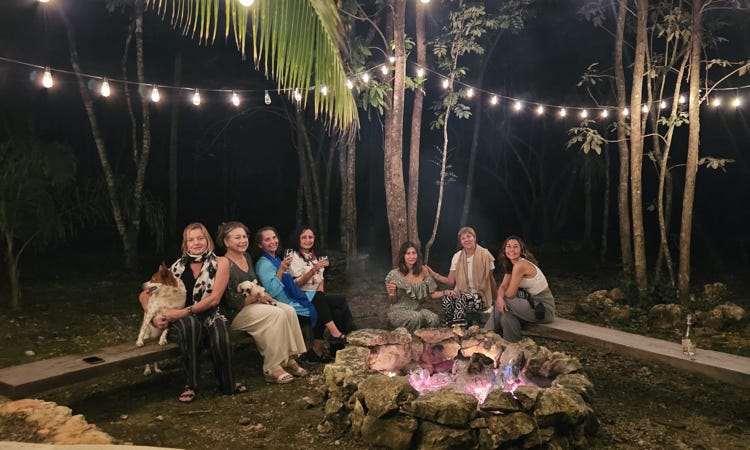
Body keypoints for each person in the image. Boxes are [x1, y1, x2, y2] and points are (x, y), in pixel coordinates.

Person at [138, 222, 245, 403]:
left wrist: (183, 312)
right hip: (179, 317)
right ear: (186, 244)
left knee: (220, 328)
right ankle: (191, 384)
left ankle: (228, 383)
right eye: (191, 239)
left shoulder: (221, 262)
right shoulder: (176, 267)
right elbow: (143, 294)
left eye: (200, 238)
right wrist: (154, 317)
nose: (196, 242)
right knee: (190, 326)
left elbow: (214, 299)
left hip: (209, 311)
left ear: (207, 240)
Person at [217, 221, 308, 384]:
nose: (243, 240)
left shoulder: (246, 257)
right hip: (235, 313)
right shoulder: (223, 263)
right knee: (276, 314)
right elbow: (230, 300)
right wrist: (257, 297)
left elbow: (255, 283)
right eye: (237, 237)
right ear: (226, 242)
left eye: (244, 236)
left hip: (253, 305)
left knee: (288, 310)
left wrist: (264, 294)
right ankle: (272, 367)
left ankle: (289, 357)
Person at [252, 226, 346, 363]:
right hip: (285, 304)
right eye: (267, 239)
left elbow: (316, 279)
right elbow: (272, 292)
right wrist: (282, 270)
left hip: (294, 297)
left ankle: (322, 348)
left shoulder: (276, 259)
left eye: (274, 237)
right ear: (260, 245)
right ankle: (334, 340)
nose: (273, 241)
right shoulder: (264, 264)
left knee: (327, 303)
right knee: (325, 304)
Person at [286, 225, 356, 335]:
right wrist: (314, 269)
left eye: (311, 237)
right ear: (297, 239)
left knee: (337, 310)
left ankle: (338, 344)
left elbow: (321, 278)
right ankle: (349, 334)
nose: (308, 240)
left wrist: (321, 292)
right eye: (304, 237)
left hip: (317, 295)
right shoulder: (293, 257)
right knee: (340, 301)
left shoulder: (314, 255)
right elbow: (297, 284)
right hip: (303, 296)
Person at [484, 236, 555, 342]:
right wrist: (499, 297)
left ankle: (485, 335)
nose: (511, 250)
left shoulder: (520, 265)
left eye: (515, 247)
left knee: (505, 301)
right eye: (508, 246)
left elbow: (510, 295)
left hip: (542, 309)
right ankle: (512, 349)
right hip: (529, 304)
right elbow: (503, 286)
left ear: (521, 250)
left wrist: (501, 297)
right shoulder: (511, 265)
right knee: (506, 316)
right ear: (504, 249)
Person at [427, 226, 497, 328]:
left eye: (469, 236)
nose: (466, 240)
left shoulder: (485, 255)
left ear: (474, 238)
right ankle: (452, 326)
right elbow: (451, 281)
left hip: (480, 297)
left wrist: (496, 300)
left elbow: (491, 279)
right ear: (461, 241)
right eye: (463, 238)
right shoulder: (457, 256)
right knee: (447, 298)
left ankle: (458, 330)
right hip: (462, 293)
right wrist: (434, 275)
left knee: (461, 299)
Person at [384, 242, 442, 332]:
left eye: (414, 253)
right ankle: (410, 340)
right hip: (398, 311)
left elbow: (432, 294)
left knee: (433, 318)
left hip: (416, 309)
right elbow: (392, 301)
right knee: (415, 317)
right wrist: (392, 292)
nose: (411, 256)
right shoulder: (394, 274)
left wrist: (446, 292)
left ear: (417, 255)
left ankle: (425, 340)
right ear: (403, 256)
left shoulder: (423, 270)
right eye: (408, 253)